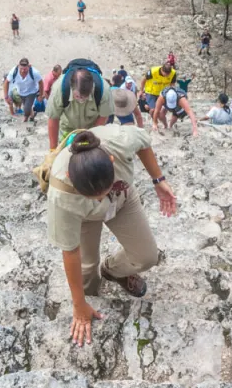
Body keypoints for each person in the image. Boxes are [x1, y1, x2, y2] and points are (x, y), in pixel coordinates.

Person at [47, 128, 177, 344]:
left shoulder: (120, 141)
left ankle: (113, 270)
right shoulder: (61, 195)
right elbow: (70, 251)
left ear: (111, 160)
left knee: (146, 257)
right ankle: (93, 289)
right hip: (83, 216)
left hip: (122, 199)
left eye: (103, 190)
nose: (100, 199)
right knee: (87, 273)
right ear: (70, 177)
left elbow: (143, 142)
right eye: (92, 196)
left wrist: (158, 180)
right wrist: (79, 306)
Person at [44, 61, 113, 149]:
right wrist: (53, 150)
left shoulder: (104, 90)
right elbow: (53, 118)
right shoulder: (59, 89)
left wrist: (91, 138)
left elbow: (103, 116)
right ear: (71, 88)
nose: (81, 100)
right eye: (78, 96)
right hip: (67, 130)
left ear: (92, 87)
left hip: (91, 128)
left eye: (85, 97)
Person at [4, 58, 43, 122]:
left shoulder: (34, 72)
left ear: (29, 66)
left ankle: (25, 119)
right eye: (21, 69)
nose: (22, 71)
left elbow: (41, 83)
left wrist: (41, 95)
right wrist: (6, 96)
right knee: (27, 105)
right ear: (18, 66)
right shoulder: (14, 71)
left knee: (26, 107)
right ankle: (32, 115)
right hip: (21, 92)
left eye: (25, 69)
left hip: (32, 91)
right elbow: (6, 82)